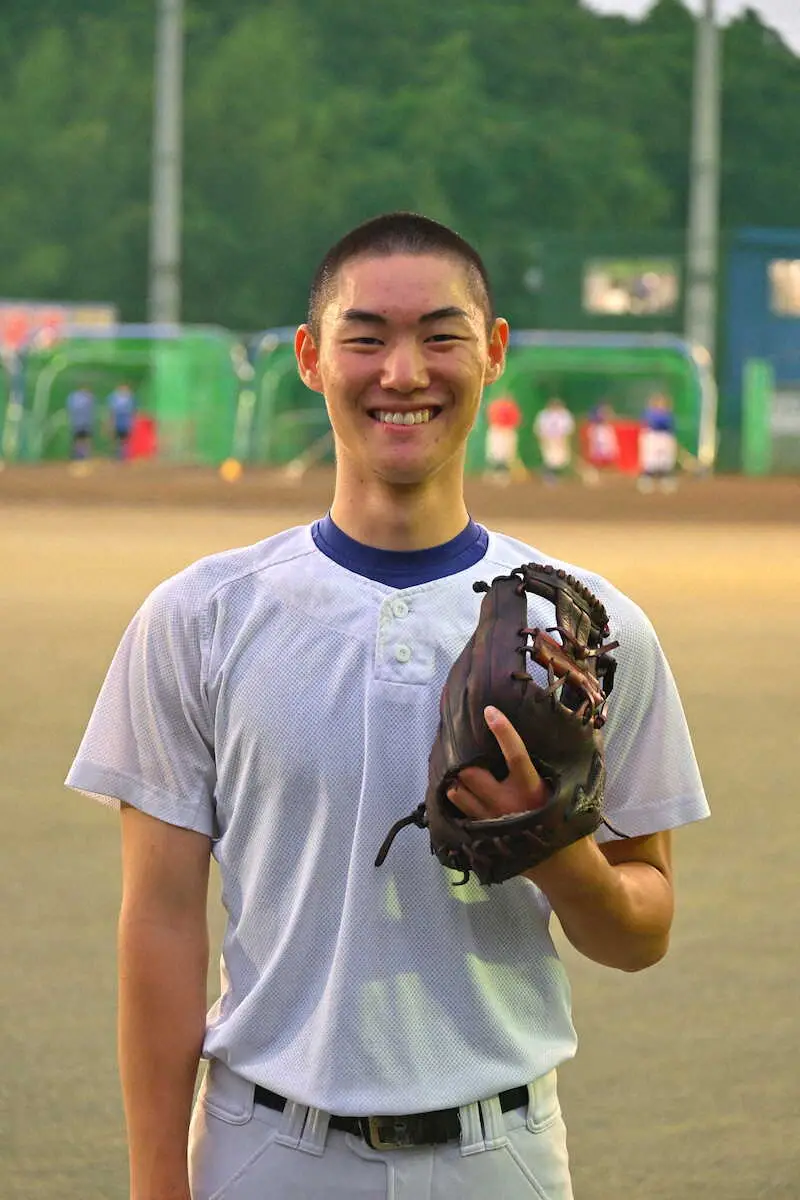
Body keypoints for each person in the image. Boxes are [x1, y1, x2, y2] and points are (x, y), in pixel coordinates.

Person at [65, 212, 709, 1200]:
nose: (403, 373)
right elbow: (159, 922)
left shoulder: (585, 631)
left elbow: (641, 932)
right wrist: (157, 1184)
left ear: (493, 352)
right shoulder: (199, 618)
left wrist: (554, 848)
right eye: (365, 338)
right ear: (310, 358)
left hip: (502, 1154)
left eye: (441, 336)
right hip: (263, 1149)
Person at [638, 392, 678, 493]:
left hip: (665, 437)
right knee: (651, 460)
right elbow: (653, 422)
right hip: (653, 436)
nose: (661, 405)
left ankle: (666, 479)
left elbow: (670, 424)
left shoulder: (668, 414)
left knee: (665, 460)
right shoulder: (650, 413)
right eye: (659, 402)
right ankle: (646, 480)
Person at [532, 395, 575, 484]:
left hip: (560, 440)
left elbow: (568, 428)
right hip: (548, 440)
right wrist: (543, 438)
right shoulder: (544, 414)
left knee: (561, 458)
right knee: (549, 458)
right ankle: (549, 475)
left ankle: (559, 475)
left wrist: (564, 438)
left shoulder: (564, 414)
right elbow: (539, 427)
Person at [483, 392, 522, 484]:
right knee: (496, 453)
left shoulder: (511, 407)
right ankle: (494, 473)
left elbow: (516, 419)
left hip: (506, 430)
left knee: (505, 454)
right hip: (498, 430)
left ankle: (502, 474)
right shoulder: (496, 406)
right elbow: (490, 417)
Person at [581, 402, 620, 486]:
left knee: (608, 453)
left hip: (603, 430)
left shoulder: (605, 422)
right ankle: (592, 474)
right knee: (596, 456)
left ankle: (600, 474)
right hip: (598, 431)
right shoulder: (596, 414)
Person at [106, 381, 137, 460]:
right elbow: (111, 411)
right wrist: (110, 422)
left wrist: (132, 422)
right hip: (117, 422)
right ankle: (116, 456)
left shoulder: (130, 397)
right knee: (115, 439)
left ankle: (124, 456)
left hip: (126, 422)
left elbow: (133, 411)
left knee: (125, 440)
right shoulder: (114, 397)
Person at [65, 383, 95, 461]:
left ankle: (85, 455)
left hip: (85, 422)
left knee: (86, 438)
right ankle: (78, 455)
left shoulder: (88, 397)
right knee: (78, 438)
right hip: (78, 422)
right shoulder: (75, 397)